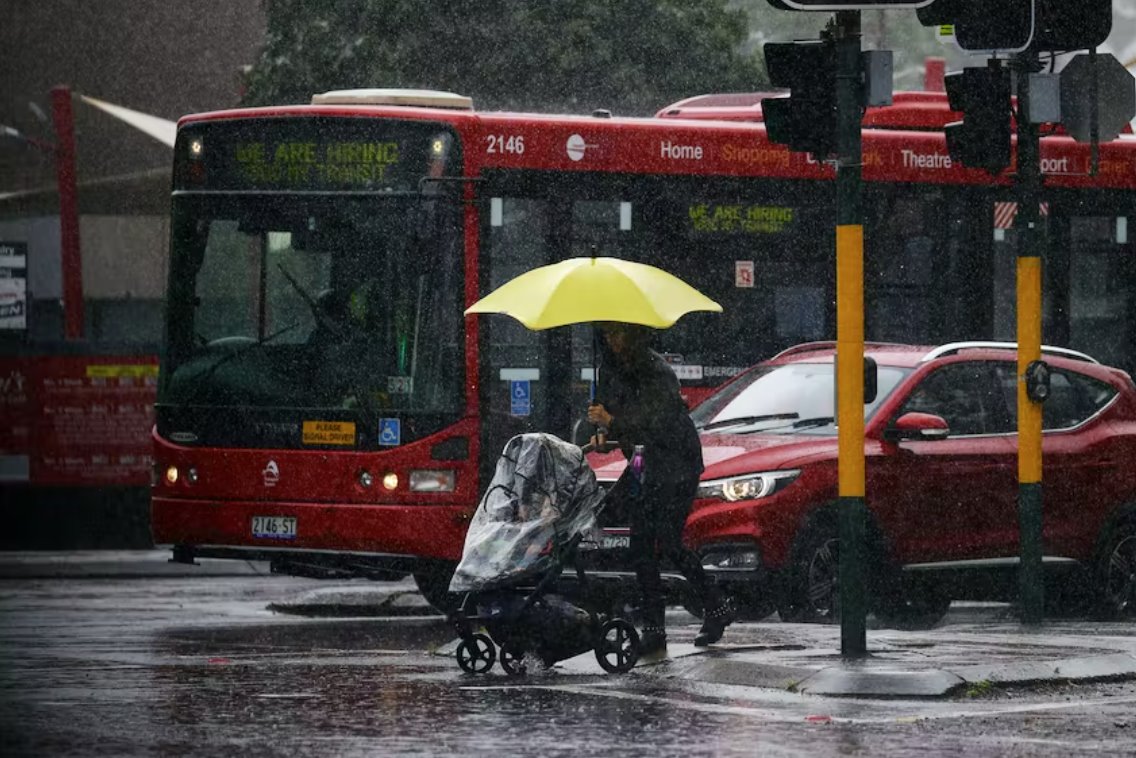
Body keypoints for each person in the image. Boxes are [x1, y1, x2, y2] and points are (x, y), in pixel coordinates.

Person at [586, 322, 734, 657]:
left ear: (634, 334)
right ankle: (655, 630)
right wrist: (599, 428)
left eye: (619, 333)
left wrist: (612, 422)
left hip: (675, 464)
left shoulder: (657, 371)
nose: (613, 340)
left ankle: (715, 606)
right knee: (640, 546)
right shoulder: (608, 369)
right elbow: (611, 415)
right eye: (608, 334)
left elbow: (654, 421)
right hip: (642, 462)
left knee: (667, 541)